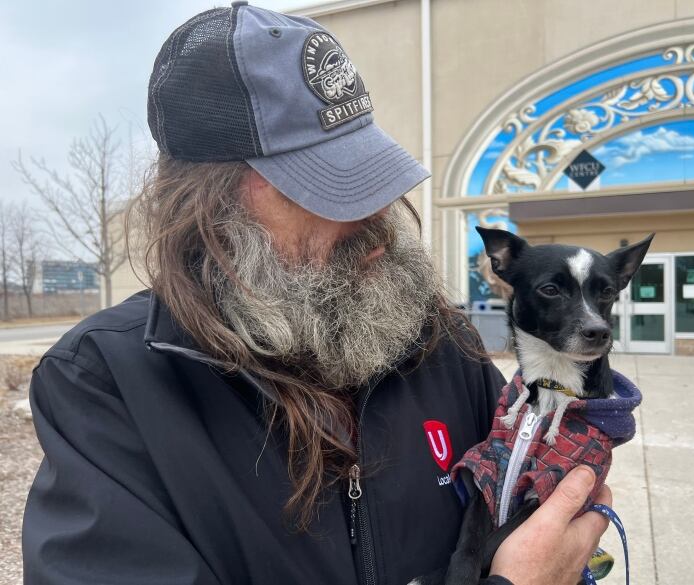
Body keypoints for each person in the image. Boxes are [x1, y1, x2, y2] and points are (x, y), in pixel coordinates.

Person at [22, 4, 610, 584]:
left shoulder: (437, 338)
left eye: (369, 170)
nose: (378, 212)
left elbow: (521, 505)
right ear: (210, 212)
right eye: (328, 186)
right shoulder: (107, 383)